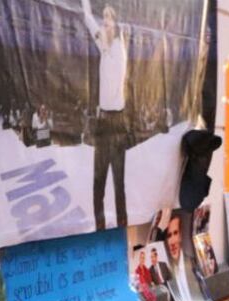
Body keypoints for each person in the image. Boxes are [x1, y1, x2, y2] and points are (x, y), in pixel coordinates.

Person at [82, 0, 129, 230]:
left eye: (109, 19)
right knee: (98, 181)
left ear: (115, 24)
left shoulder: (117, 49)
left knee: (118, 182)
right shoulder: (105, 46)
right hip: (104, 122)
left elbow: (112, 92)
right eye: (104, 18)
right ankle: (99, 228)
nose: (104, 22)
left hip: (116, 122)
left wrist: (103, 106)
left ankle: (121, 227)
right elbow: (89, 20)